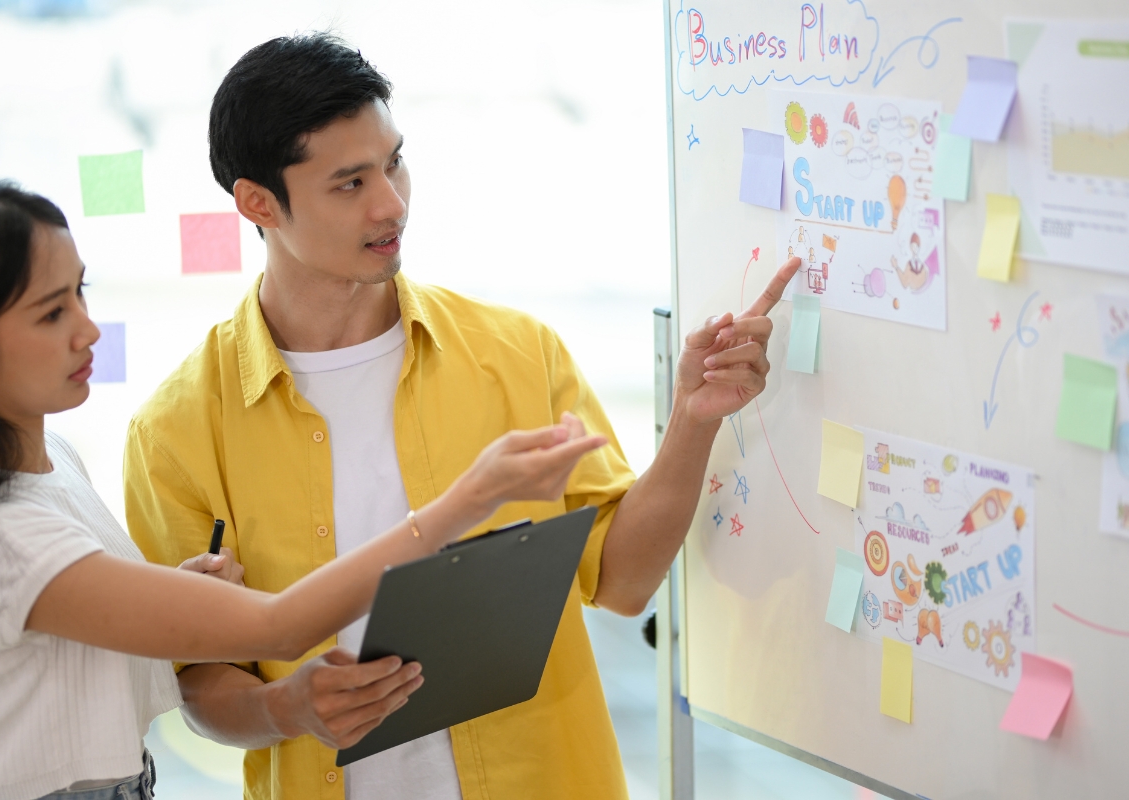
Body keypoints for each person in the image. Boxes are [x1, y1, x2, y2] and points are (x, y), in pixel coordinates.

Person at [125, 32, 800, 800]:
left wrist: (694, 419)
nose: (392, 204)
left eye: (394, 161)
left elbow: (622, 581)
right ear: (257, 203)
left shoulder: (516, 353)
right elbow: (199, 682)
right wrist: (283, 707)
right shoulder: (175, 432)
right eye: (349, 183)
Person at [0, 179, 606, 800]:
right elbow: (279, 629)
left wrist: (182, 596)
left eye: (83, 292)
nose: (88, 329)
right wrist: (471, 498)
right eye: (50, 314)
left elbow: (88, 647)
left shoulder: (52, 465)